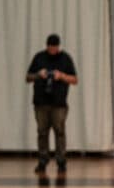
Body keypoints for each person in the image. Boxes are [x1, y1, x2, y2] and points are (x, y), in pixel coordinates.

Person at [25, 34, 78, 174]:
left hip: (59, 103)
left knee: (59, 132)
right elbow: (28, 77)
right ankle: (43, 160)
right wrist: (38, 74)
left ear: (58, 46)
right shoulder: (39, 57)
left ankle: (61, 161)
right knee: (42, 132)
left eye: (54, 47)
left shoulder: (65, 58)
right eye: (50, 47)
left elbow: (74, 79)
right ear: (46, 46)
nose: (52, 49)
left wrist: (61, 76)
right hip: (41, 103)